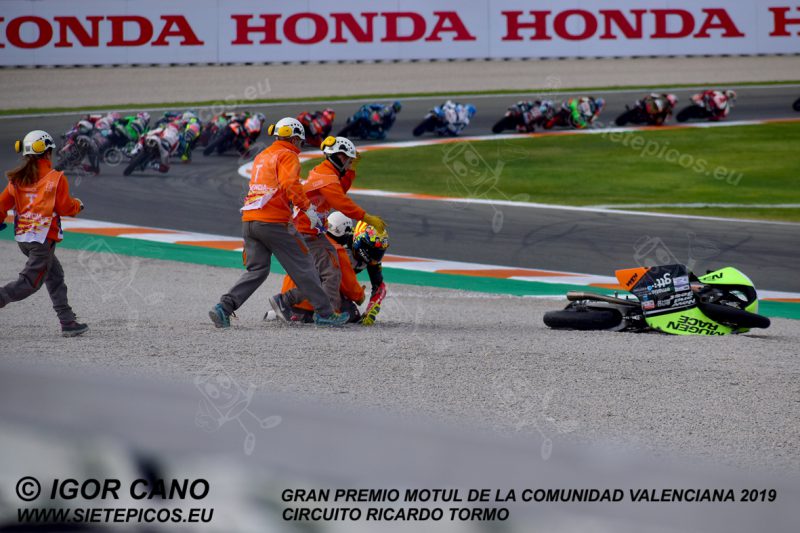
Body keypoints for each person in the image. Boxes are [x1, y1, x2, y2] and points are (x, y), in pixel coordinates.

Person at [209, 117, 349, 328]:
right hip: (274, 222)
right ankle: (325, 313)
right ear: (293, 139)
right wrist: (308, 209)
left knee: (257, 271)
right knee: (306, 266)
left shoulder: (263, 156)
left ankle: (224, 307)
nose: (300, 145)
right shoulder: (288, 155)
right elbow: (289, 184)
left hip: (249, 220)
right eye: (299, 141)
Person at [270, 136, 386, 320]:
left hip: (308, 231)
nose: (348, 163)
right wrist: (366, 218)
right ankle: (323, 314)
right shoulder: (326, 177)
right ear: (337, 156)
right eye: (347, 160)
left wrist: (350, 172)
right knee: (331, 273)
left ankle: (288, 302)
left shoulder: (326, 174)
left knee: (326, 273)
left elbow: (339, 191)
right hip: (306, 232)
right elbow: (341, 201)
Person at [0, 130, 88, 337]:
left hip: (24, 240)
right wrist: (78, 205)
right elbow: (66, 207)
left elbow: (2, 205)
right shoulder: (56, 179)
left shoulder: (16, 179)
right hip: (42, 241)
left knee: (55, 275)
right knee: (29, 283)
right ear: (47, 153)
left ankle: (68, 322)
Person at [278, 212, 389, 325]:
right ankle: (315, 314)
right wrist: (360, 296)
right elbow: (349, 286)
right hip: (312, 289)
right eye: (372, 250)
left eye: (379, 252)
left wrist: (371, 309)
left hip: (297, 286)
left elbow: (379, 286)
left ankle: (288, 304)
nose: (375, 256)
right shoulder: (338, 248)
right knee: (352, 314)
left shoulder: (370, 258)